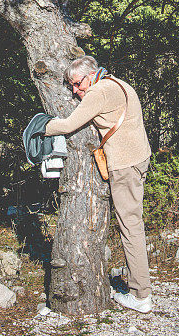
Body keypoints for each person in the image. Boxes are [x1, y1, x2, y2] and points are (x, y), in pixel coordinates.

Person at [44, 55, 153, 313]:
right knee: (133, 223)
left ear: (90, 74)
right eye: (71, 85)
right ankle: (141, 291)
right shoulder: (118, 84)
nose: (75, 90)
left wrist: (42, 128)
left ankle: (141, 296)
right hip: (139, 159)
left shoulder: (98, 92)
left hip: (125, 165)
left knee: (131, 227)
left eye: (77, 83)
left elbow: (69, 124)